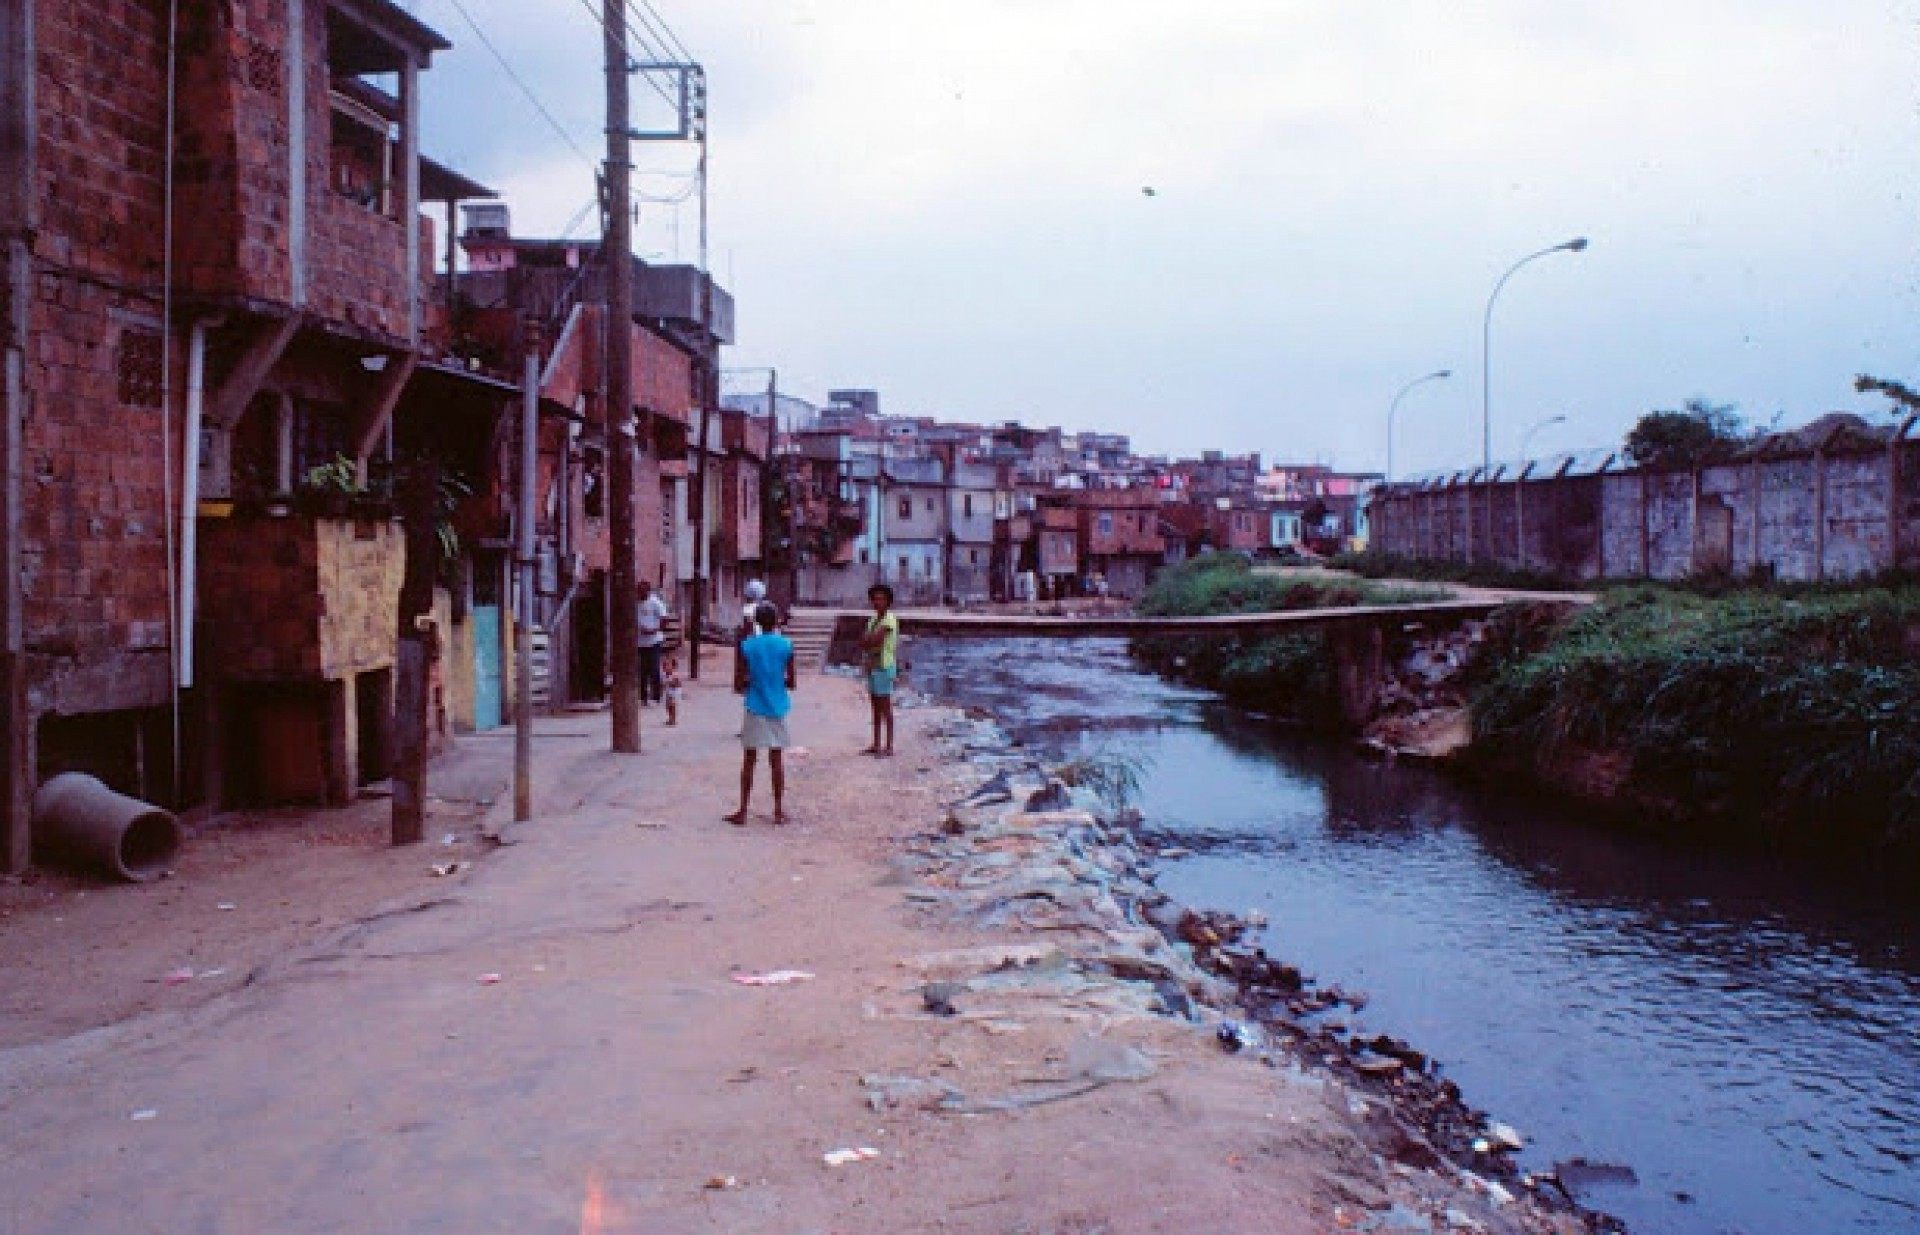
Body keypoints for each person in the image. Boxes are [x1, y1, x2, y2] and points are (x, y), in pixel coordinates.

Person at [728, 602, 796, 826]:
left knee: (749, 759)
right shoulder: (786, 645)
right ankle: (778, 810)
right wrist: (775, 680)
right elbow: (792, 682)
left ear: (756, 621)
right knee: (776, 761)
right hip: (777, 705)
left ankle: (743, 810)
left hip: (755, 704)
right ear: (776, 621)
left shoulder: (747, 646)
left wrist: (753, 681)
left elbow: (739, 683)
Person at [859, 583, 899, 757]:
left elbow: (874, 640)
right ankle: (876, 743)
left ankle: (889, 746)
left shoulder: (889, 619)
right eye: (875, 599)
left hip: (884, 666)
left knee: (885, 707)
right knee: (875, 707)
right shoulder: (873, 620)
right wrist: (869, 640)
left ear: (888, 601)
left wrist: (869, 640)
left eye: (881, 599)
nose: (877, 602)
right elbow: (865, 642)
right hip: (873, 667)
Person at [636, 580, 668, 705]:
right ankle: (643, 697)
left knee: (654, 668)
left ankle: (656, 696)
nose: (640, 594)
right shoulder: (636, 603)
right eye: (639, 591)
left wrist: (654, 630)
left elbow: (664, 619)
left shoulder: (655, 603)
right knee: (642, 670)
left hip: (654, 641)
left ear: (648, 591)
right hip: (640, 642)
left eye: (642, 591)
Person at [662, 655, 683, 727]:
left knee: (673, 705)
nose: (665, 667)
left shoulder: (675, 674)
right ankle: (670, 717)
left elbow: (678, 684)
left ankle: (673, 719)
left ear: (673, 666)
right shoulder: (664, 675)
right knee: (668, 706)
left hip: (674, 693)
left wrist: (670, 683)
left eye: (667, 665)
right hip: (668, 692)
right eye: (664, 665)